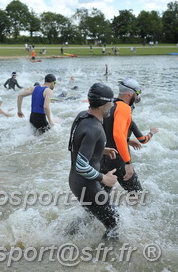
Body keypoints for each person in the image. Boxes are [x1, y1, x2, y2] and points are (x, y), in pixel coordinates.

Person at [68, 83, 119, 239]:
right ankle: (102, 261)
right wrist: (105, 178)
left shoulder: (82, 116)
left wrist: (99, 149)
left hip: (76, 182)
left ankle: (66, 238)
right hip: (87, 184)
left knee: (89, 214)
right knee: (115, 224)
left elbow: (74, 146)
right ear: (103, 103)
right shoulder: (95, 128)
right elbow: (81, 166)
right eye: (111, 101)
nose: (112, 105)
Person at [101, 78, 144, 195]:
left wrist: (128, 140)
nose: (138, 96)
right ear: (130, 94)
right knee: (137, 195)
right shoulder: (124, 108)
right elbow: (117, 134)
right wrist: (128, 163)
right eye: (138, 93)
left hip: (102, 157)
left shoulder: (109, 104)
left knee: (101, 197)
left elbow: (107, 131)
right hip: (117, 158)